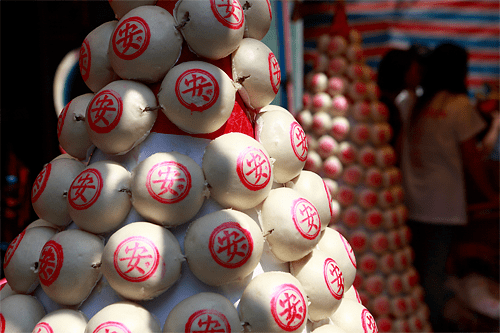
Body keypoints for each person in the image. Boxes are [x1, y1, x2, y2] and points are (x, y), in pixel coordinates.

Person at [401, 42, 499, 331]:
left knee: (423, 270)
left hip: (415, 203)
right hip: (442, 206)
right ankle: (431, 325)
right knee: (434, 273)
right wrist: (492, 195)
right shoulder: (458, 106)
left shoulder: (417, 103)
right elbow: (472, 160)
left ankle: (426, 319)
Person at [377, 46, 425, 164]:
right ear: (403, 72)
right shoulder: (386, 108)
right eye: (416, 71)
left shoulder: (387, 102)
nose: (420, 77)